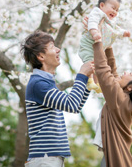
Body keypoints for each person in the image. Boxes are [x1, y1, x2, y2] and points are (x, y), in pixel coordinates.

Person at [20, 30, 93, 167]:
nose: (58, 50)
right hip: (45, 158)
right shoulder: (38, 84)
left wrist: (88, 83)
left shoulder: (46, 82)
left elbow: (75, 107)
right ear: (41, 56)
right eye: (53, 47)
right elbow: (71, 104)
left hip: (50, 157)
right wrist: (82, 74)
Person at [92, 39, 132, 167]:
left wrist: (98, 42)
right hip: (114, 158)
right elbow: (113, 72)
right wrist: (108, 44)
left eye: (130, 74)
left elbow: (104, 73)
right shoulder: (124, 101)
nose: (125, 72)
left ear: (130, 87)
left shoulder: (121, 101)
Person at [78, 0, 130, 93]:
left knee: (98, 66)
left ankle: (97, 84)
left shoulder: (110, 21)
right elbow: (91, 22)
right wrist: (94, 32)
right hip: (88, 45)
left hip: (99, 48)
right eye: (113, 8)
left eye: (117, 10)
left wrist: (124, 33)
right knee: (90, 63)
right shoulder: (98, 13)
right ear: (102, 5)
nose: (115, 12)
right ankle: (89, 81)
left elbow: (116, 30)